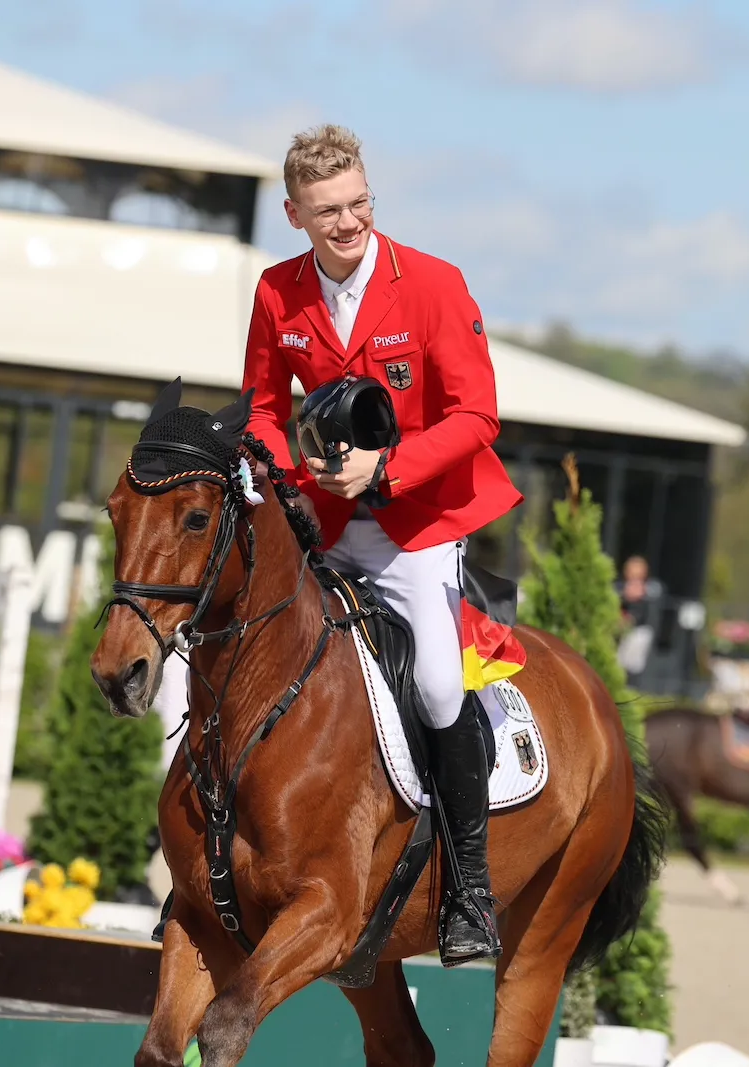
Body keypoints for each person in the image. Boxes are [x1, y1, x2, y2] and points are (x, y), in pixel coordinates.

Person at [240, 124, 522, 967]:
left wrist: (386, 469)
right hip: (320, 523)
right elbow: (258, 407)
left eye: (359, 202)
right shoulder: (274, 292)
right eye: (328, 210)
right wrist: (300, 472)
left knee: (438, 683)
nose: (348, 221)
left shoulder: (433, 284)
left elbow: (479, 415)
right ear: (295, 214)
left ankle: (468, 888)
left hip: (418, 526)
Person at [615, 555, 662, 685]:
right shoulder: (619, 587)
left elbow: (654, 596)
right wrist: (625, 594)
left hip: (638, 632)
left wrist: (639, 593)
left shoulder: (652, 588)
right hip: (618, 632)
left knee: (632, 667)